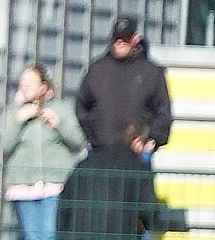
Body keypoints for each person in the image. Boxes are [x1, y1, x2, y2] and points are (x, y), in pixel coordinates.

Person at [1, 62, 86, 240]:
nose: (25, 87)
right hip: (23, 184)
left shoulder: (61, 109)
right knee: (32, 238)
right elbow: (4, 145)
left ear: (44, 86)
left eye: (30, 83)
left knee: (48, 236)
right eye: (22, 83)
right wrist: (20, 120)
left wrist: (57, 124)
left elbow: (77, 141)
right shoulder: (13, 112)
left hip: (53, 183)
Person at [73, 16, 173, 156]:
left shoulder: (151, 72)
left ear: (135, 39)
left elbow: (163, 112)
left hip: (137, 154)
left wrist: (151, 138)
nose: (119, 43)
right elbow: (81, 106)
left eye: (125, 39)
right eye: (116, 39)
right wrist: (92, 137)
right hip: (100, 152)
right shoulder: (97, 69)